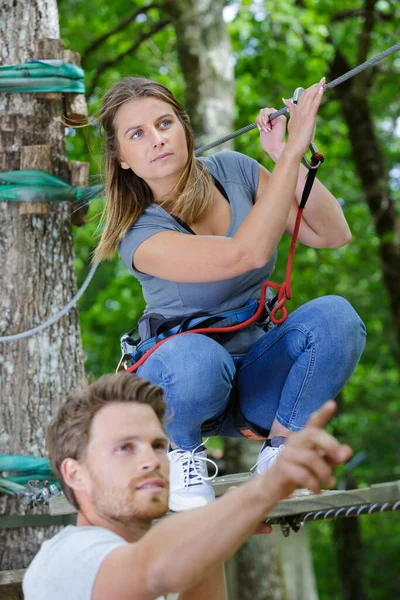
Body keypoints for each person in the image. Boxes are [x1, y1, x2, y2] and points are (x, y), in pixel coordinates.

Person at [93, 76, 366, 511]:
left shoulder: (235, 172)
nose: (157, 140)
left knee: (337, 318)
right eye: (137, 134)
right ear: (122, 158)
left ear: (184, 128)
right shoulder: (138, 234)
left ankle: (282, 453)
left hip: (255, 375)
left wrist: (282, 157)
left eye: (165, 123)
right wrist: (294, 150)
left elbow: (332, 233)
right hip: (182, 385)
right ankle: (180, 453)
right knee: (199, 358)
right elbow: (246, 255)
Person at [23, 372, 353, 600]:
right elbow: (153, 569)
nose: (152, 460)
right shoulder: (65, 558)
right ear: (75, 474)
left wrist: (220, 529)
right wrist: (263, 490)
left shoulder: (145, 563)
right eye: (125, 447)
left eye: (157, 445)